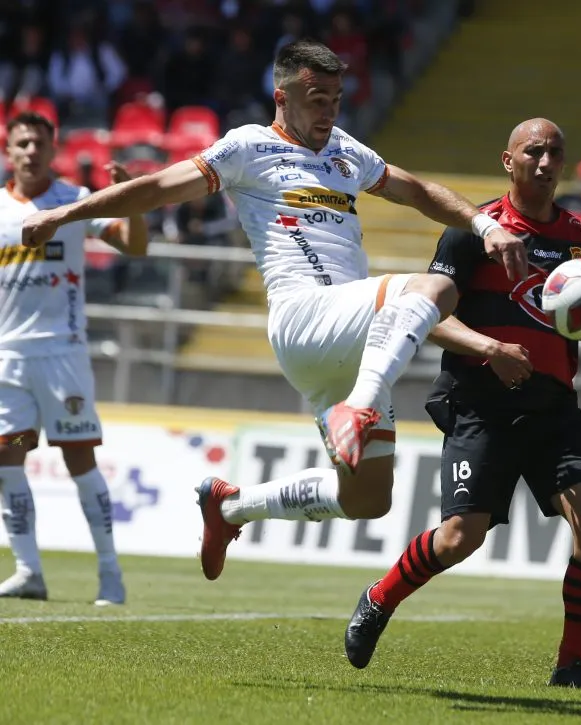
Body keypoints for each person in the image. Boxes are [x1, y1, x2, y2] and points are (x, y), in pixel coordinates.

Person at [20, 40, 528, 583]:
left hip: (350, 340)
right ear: (282, 97)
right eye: (317, 99)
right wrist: (65, 215)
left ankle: (232, 507)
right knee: (433, 287)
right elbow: (159, 187)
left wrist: (485, 227)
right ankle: (357, 408)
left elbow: (419, 192)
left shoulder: (346, 151)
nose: (329, 111)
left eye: (336, 98)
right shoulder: (249, 147)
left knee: (367, 498)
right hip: (304, 317)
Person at [341, 118, 581, 691]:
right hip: (480, 405)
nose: (545, 162)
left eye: (555, 153)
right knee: (460, 537)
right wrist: (489, 349)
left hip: (552, 409)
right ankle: (379, 598)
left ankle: (571, 669)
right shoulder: (473, 232)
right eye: (533, 151)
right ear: (508, 160)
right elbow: (426, 315)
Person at [0, 111, 148, 605]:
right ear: (9, 150)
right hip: (8, 359)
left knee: (80, 461)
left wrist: (131, 201)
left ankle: (110, 574)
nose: (30, 151)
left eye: (38, 143)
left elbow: (134, 247)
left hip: (62, 356)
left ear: (52, 148)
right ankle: (29, 571)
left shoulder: (74, 201)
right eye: (22, 143)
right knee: (7, 460)